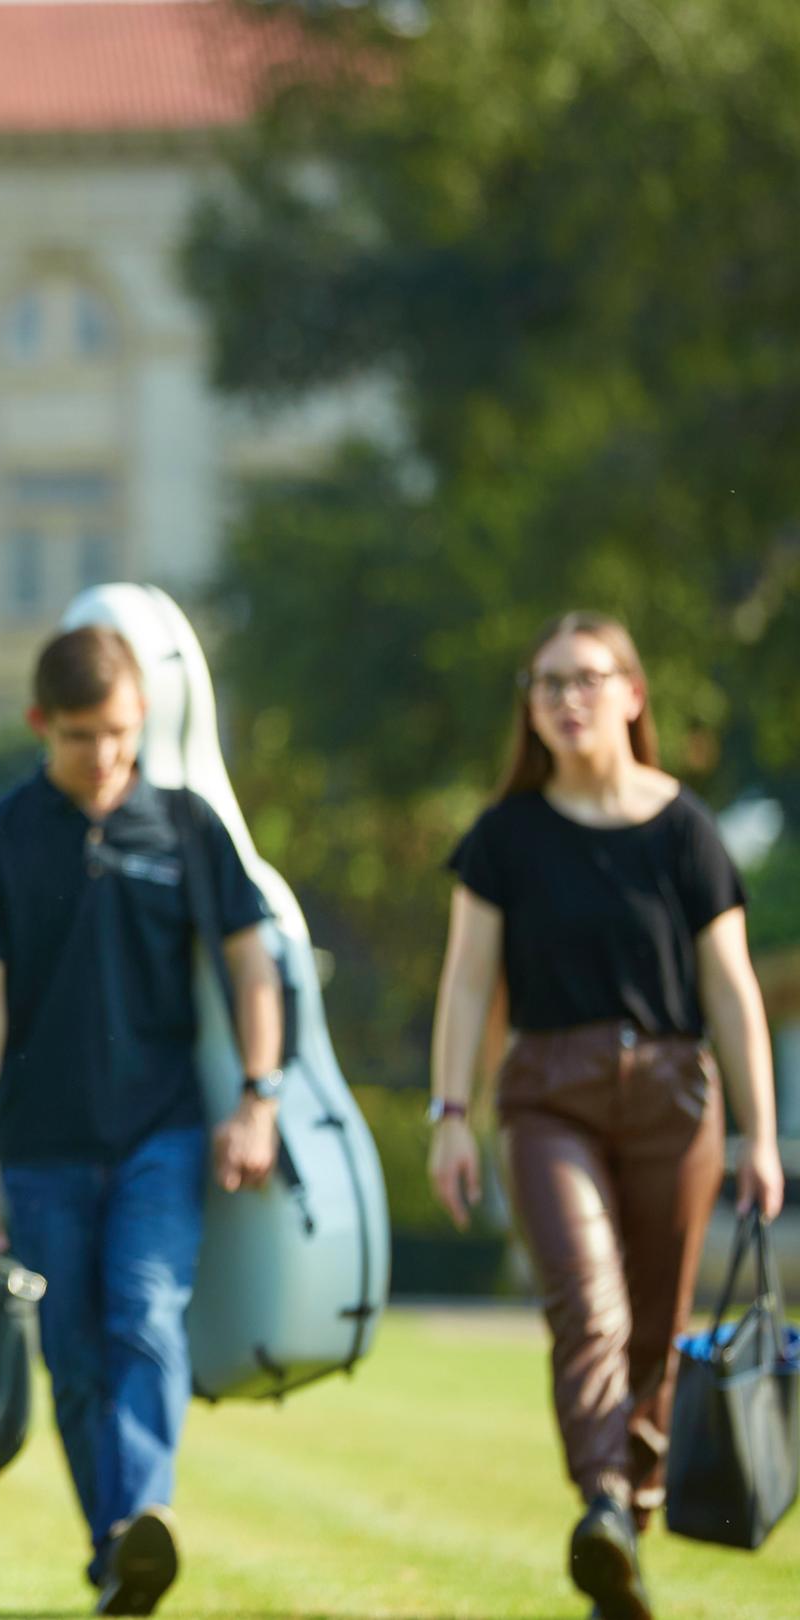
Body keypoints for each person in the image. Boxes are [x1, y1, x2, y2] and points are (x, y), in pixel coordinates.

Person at [426, 612, 782, 1620]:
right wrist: (451, 1112)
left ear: (632, 693)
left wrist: (759, 1135)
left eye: (586, 679)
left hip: (677, 1102)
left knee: (658, 1334)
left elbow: (731, 991)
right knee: (590, 1309)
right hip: (547, 1099)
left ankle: (634, 1515)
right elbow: (464, 988)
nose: (566, 700)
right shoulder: (504, 838)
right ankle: (603, 1503)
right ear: (531, 711)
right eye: (547, 685)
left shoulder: (687, 830)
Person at [0, 625, 283, 1617]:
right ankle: (118, 1555)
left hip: (161, 1135)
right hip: (41, 1149)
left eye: (124, 735)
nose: (107, 759)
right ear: (40, 723)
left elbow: (254, 961)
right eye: (85, 736)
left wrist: (259, 1097)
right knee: (77, 1358)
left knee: (144, 1316)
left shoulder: (187, 828)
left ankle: (136, 1523)